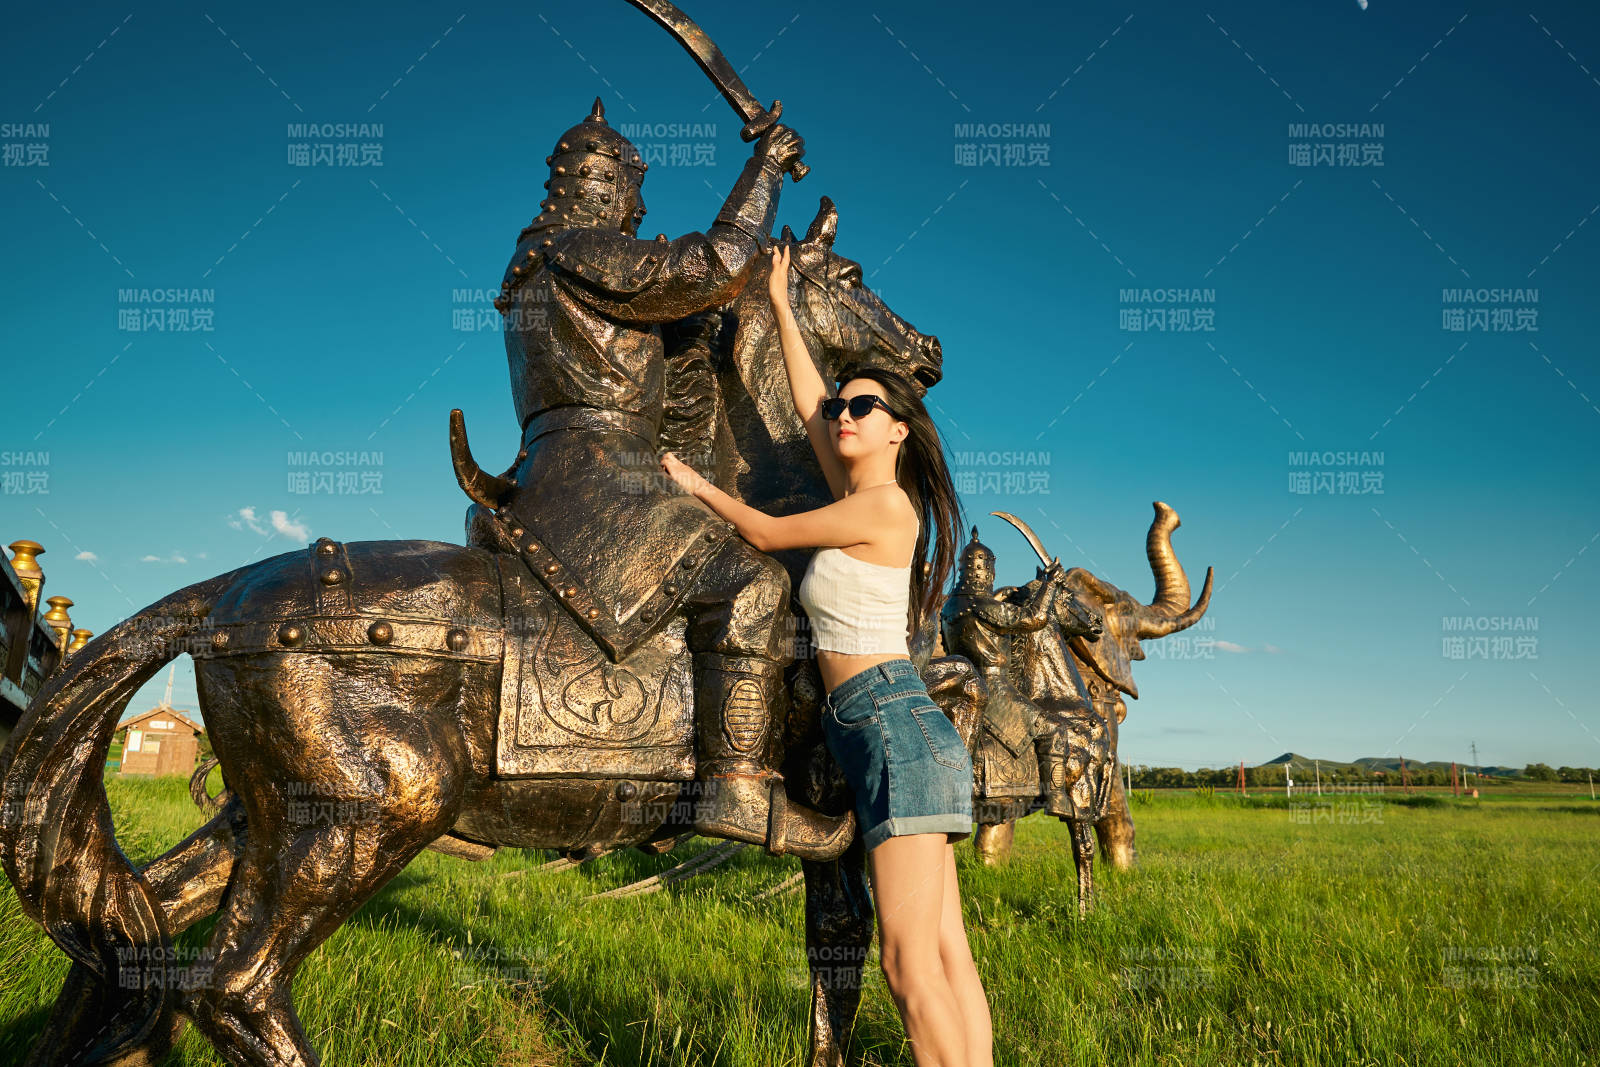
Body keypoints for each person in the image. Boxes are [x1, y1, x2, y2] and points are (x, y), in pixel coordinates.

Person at [660, 242, 992, 1066]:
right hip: (889, 728)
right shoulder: (857, 492)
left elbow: (768, 532)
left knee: (907, 964)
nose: (844, 413)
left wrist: (694, 484)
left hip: (892, 727)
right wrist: (779, 300)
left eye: (864, 406)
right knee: (946, 953)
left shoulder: (885, 506)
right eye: (843, 404)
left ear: (898, 430)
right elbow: (811, 401)